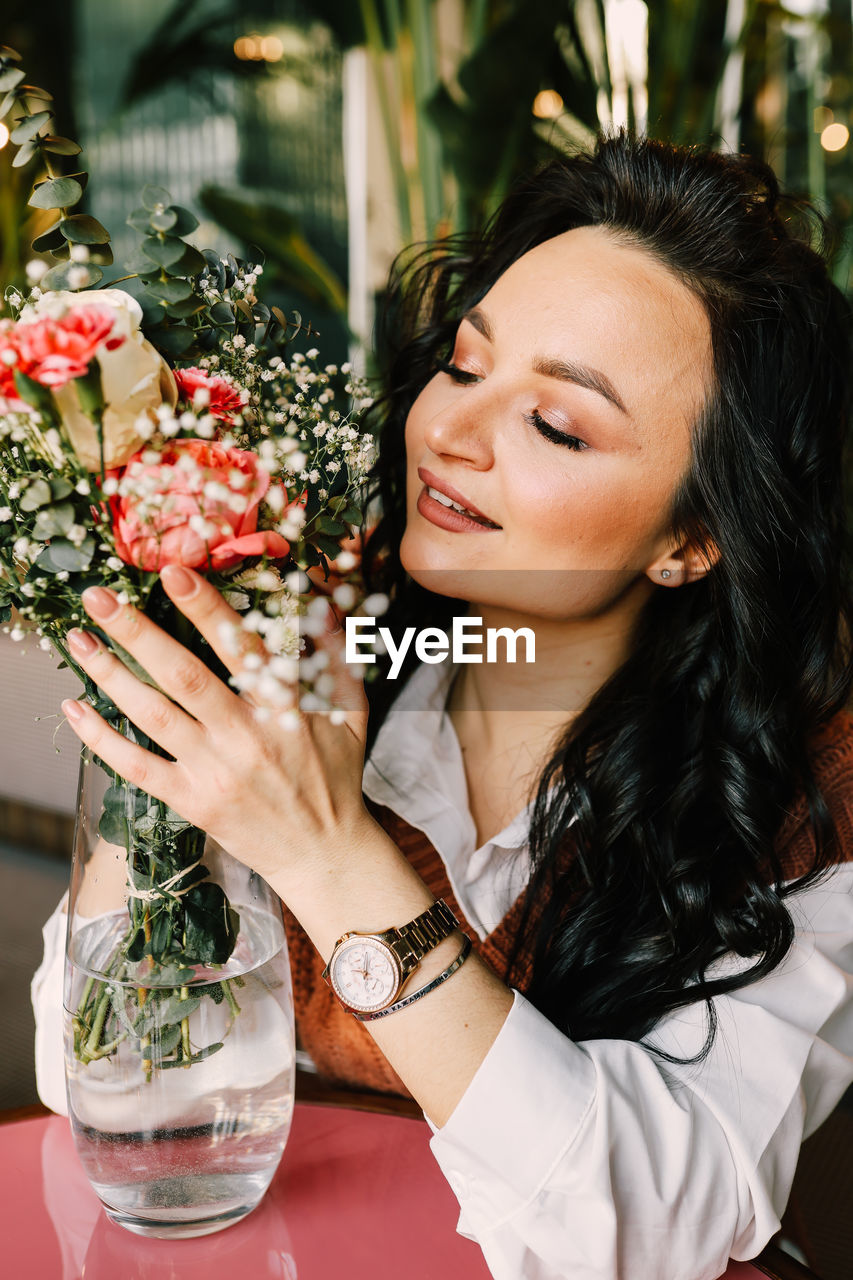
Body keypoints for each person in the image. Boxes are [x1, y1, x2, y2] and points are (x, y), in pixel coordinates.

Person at [32, 133, 853, 1279]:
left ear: (692, 537)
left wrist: (325, 852)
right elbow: (121, 1088)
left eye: (556, 425)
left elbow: (649, 1227)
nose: (447, 433)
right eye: (463, 369)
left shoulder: (808, 787)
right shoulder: (316, 632)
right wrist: (164, 698)